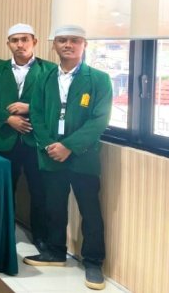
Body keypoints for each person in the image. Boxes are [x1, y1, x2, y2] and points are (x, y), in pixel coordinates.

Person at [23, 25, 112, 291]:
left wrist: (69, 146)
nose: (68, 45)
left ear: (84, 44)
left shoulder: (99, 79)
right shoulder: (44, 78)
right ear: (54, 45)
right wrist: (49, 144)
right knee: (54, 206)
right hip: (51, 153)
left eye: (74, 40)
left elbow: (99, 120)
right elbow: (36, 113)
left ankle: (93, 262)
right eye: (62, 40)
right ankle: (55, 252)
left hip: (83, 156)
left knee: (90, 210)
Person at [0, 23, 55, 253]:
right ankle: (4, 233)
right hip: (2, 139)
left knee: (39, 191)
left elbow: (56, 102)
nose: (20, 44)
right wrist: (7, 119)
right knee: (2, 190)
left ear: (34, 42)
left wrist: (30, 107)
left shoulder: (49, 70)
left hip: (35, 141)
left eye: (24, 39)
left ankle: (40, 237)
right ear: (8, 44)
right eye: (14, 40)